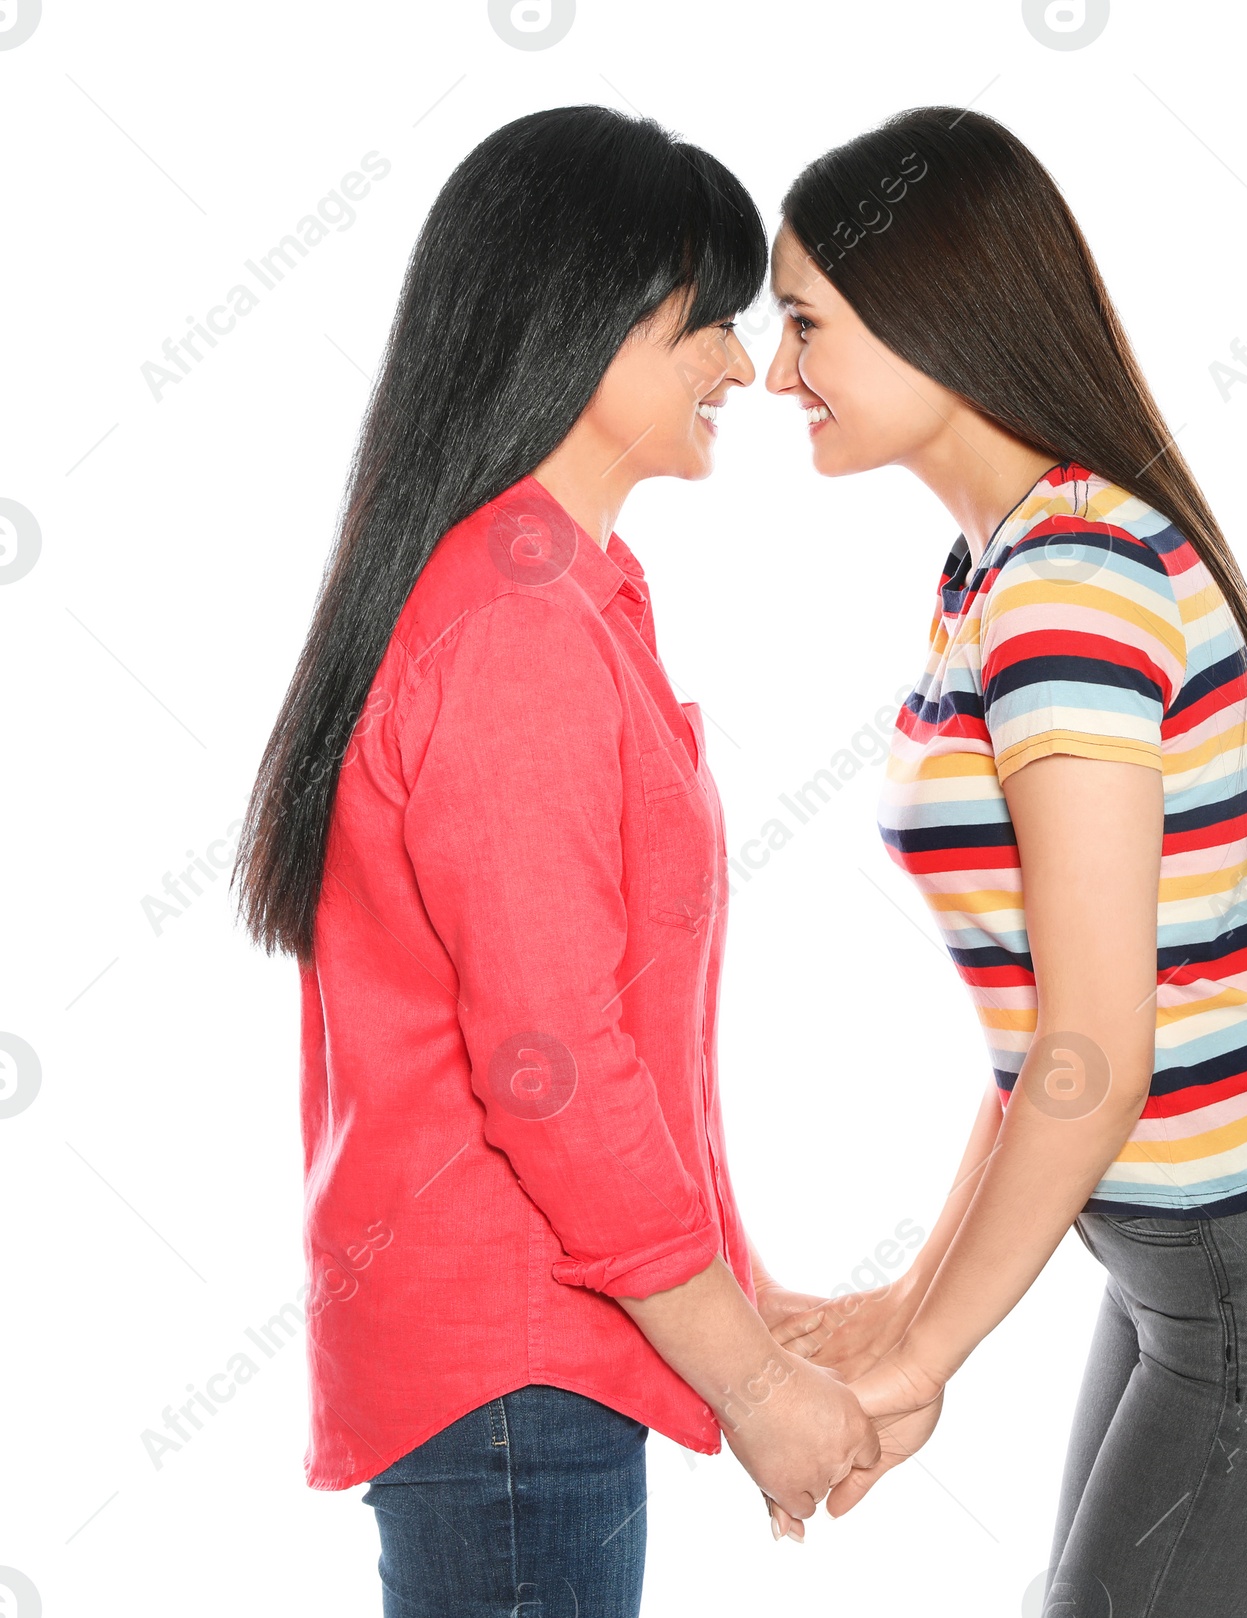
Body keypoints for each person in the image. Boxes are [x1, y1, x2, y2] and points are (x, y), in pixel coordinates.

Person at [761, 108, 1247, 1616]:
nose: (773, 372)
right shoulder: (1002, 567)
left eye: (804, 323)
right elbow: (1040, 1053)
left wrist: (927, 1354)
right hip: (1195, 1262)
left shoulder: (1072, 583)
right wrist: (905, 1308)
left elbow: (1095, 1050)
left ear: (929, 308)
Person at [232, 106, 876, 1618]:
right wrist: (754, 1388)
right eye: (704, 321)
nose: (740, 363)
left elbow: (615, 1034)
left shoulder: (565, 587)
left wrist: (752, 1308)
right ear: (584, 321)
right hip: (518, 1376)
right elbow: (555, 1064)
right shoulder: (516, 622)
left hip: (535, 1365)